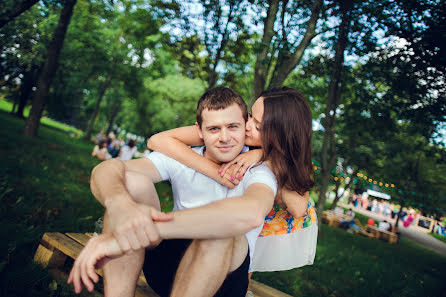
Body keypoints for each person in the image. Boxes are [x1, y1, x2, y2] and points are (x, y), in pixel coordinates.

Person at [68, 87, 277, 297]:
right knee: (132, 182)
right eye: (214, 129)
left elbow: (251, 213)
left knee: (223, 230)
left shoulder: (258, 169)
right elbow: (106, 169)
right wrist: (120, 205)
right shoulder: (184, 156)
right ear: (199, 131)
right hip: (167, 268)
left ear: (245, 127)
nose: (224, 137)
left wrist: (136, 232)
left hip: (224, 282)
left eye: (233, 127)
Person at [147, 87, 317, 282]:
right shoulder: (231, 129)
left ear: (280, 136)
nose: (247, 125)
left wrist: (265, 155)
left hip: (259, 227)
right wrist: (216, 173)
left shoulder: (287, 159)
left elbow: (297, 208)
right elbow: (157, 140)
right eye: (251, 115)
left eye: (258, 126)